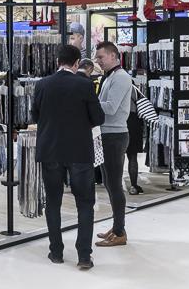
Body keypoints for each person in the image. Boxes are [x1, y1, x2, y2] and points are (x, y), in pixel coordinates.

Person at [32, 44, 105, 269]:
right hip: (79, 151)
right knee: (85, 202)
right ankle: (84, 256)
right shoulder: (84, 85)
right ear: (76, 64)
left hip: (50, 150)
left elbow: (35, 116)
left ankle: (56, 252)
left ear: (57, 62)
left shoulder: (42, 84)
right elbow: (98, 118)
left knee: (53, 202)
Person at [92, 41, 132, 247]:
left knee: (114, 184)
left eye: (101, 57)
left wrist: (88, 102)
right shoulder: (110, 77)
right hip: (107, 135)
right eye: (97, 57)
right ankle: (117, 226)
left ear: (114, 56)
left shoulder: (121, 77)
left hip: (115, 137)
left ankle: (119, 232)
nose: (98, 61)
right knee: (109, 183)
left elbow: (111, 107)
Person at [126, 89, 144, 195]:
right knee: (132, 156)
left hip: (117, 120)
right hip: (133, 121)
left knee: (116, 157)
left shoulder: (112, 85)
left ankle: (115, 186)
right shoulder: (134, 90)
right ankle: (133, 186)